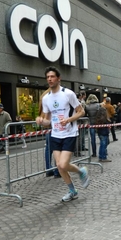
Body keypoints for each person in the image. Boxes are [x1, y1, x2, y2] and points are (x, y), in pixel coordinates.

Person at [35, 66, 90, 202]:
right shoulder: (46, 98)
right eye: (48, 77)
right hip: (55, 134)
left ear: (58, 79)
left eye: (52, 76)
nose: (50, 79)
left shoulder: (68, 94)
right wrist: (42, 121)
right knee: (59, 166)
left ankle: (81, 172)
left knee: (64, 164)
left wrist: (68, 120)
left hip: (69, 133)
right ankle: (72, 191)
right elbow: (49, 120)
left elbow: (81, 111)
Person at [38, 88, 60, 178]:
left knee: (48, 148)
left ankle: (48, 169)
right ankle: (57, 171)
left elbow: (40, 110)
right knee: (57, 148)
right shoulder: (53, 96)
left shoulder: (43, 95)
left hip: (48, 126)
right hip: (54, 125)